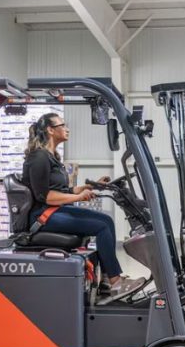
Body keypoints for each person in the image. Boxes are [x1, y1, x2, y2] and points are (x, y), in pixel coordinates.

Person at [21, 112, 145, 300]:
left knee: (106, 220)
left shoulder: (52, 156)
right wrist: (78, 197)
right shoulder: (39, 157)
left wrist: (90, 186)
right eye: (62, 125)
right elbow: (45, 196)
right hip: (42, 216)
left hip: (54, 210)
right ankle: (116, 282)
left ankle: (107, 280)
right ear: (50, 130)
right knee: (101, 226)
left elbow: (62, 189)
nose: (67, 129)